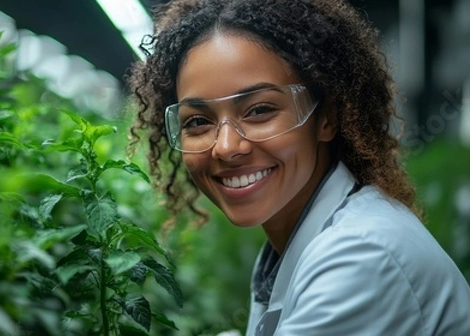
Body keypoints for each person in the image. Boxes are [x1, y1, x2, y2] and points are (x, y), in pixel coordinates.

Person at [128, 0, 470, 335]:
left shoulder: (362, 257)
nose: (227, 147)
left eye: (259, 110)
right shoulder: (296, 244)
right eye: (198, 121)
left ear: (326, 117)